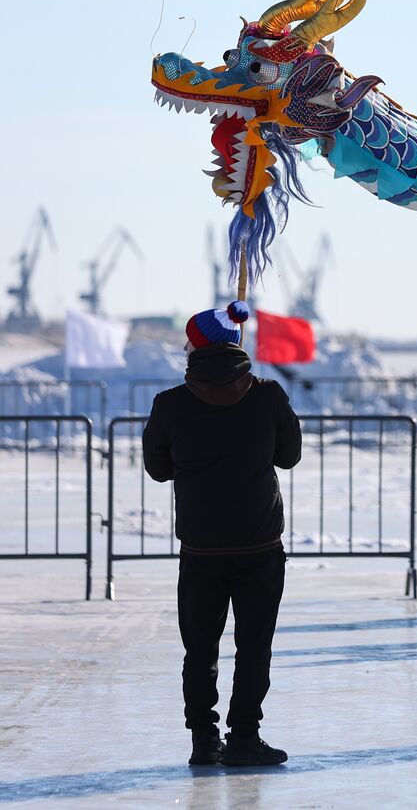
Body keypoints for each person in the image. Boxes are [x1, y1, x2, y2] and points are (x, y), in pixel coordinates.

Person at [142, 300, 301, 767]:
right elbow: (289, 456)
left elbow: (157, 469)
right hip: (259, 544)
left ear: (196, 347)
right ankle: (245, 738)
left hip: (201, 546)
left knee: (199, 649)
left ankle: (203, 740)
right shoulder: (268, 395)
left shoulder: (170, 403)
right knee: (253, 646)